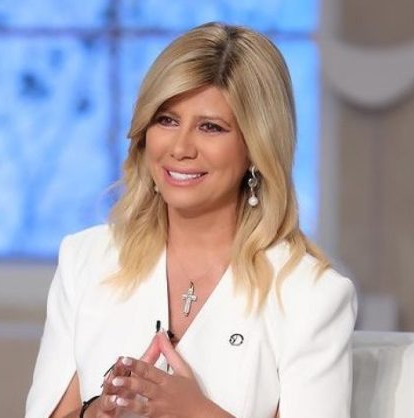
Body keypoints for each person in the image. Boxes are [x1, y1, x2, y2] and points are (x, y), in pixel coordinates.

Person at [25, 22, 357, 418]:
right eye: (166, 120)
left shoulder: (310, 295)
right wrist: (94, 413)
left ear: (256, 147)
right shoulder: (85, 260)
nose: (180, 147)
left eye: (210, 127)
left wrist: (197, 412)